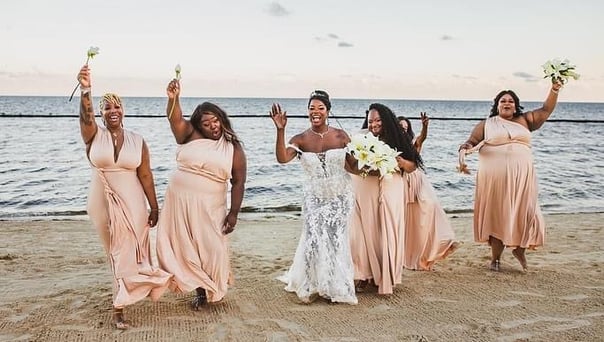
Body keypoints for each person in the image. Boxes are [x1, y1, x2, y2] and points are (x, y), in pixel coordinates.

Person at [77, 65, 172, 329]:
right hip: (102, 200)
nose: (112, 111)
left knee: (132, 252)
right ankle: (119, 305)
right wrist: (86, 88)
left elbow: (146, 176)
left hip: (134, 203)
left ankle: (125, 296)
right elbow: (85, 118)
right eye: (107, 107)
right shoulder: (93, 135)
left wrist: (154, 207)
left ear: (123, 111)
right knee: (115, 252)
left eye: (117, 106)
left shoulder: (138, 140)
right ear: (101, 113)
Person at [156, 78, 247, 310]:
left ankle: (213, 284)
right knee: (188, 246)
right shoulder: (190, 135)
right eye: (207, 123)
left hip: (211, 206)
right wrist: (173, 99)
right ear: (199, 125)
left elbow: (238, 182)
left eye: (216, 120)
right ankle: (200, 292)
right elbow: (174, 118)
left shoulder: (233, 148)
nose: (213, 126)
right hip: (180, 204)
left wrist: (233, 213)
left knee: (212, 247)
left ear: (222, 119)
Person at [458, 81, 563, 272]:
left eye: (511, 101)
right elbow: (471, 141)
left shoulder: (526, 120)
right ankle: (496, 259)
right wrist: (464, 149)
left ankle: (519, 250)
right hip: (495, 178)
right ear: (497, 105)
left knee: (528, 213)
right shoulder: (486, 124)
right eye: (502, 101)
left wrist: (555, 89)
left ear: (516, 105)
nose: (507, 103)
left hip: (522, 177)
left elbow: (547, 109)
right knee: (498, 215)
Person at [269, 90, 357, 304]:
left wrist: (374, 161)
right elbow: (282, 158)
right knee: (313, 239)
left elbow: (354, 166)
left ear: (328, 111)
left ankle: (335, 286)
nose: (315, 112)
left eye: (320, 108)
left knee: (337, 241)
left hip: (340, 196)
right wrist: (280, 130)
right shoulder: (300, 139)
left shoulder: (341, 136)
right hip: (314, 197)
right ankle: (311, 283)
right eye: (311, 108)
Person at [349, 103, 421, 295]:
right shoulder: (362, 138)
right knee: (366, 230)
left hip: (391, 187)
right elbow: (353, 163)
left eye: (378, 120)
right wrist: (367, 164)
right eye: (371, 120)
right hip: (366, 188)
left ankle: (385, 276)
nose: (374, 124)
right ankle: (364, 275)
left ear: (387, 120)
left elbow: (413, 166)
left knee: (387, 228)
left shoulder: (400, 137)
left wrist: (399, 161)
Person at [398, 113, 459, 271]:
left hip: (417, 182)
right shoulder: (391, 145)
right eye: (400, 127)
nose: (403, 130)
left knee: (427, 210)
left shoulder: (414, 143)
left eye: (406, 128)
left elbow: (422, 137)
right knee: (405, 220)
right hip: (401, 183)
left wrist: (425, 126)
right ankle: (404, 255)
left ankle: (436, 245)